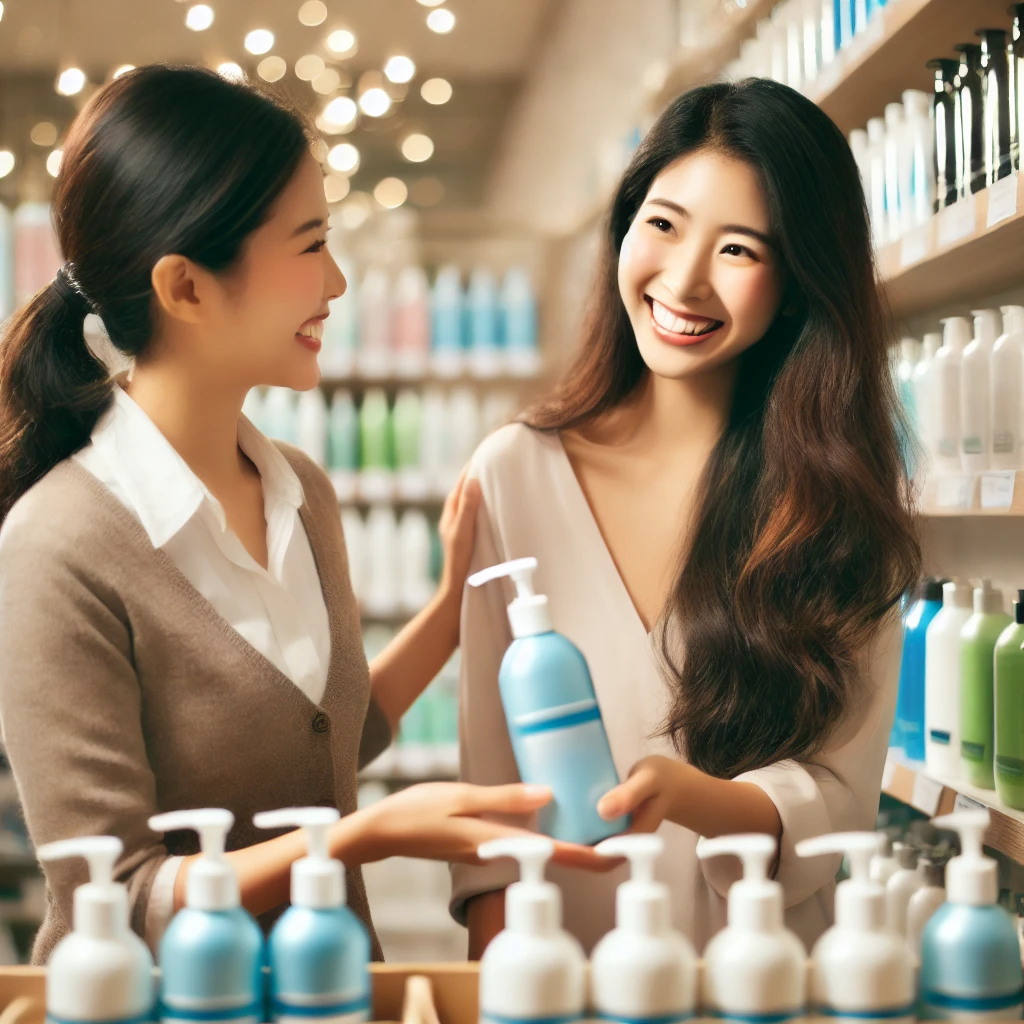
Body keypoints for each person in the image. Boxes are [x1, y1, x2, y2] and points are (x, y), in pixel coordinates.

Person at [0, 65, 602, 964]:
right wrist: (367, 836)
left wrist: (448, 607)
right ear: (186, 287)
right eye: (311, 244)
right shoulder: (57, 546)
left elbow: (325, 741)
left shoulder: (301, 491)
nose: (341, 282)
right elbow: (114, 899)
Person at [452, 78, 922, 956]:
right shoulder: (513, 475)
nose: (684, 278)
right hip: (567, 971)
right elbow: (491, 801)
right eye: (663, 224)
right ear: (624, 226)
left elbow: (843, 799)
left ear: (796, 284)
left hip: (769, 974)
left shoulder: (834, 505)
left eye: (740, 249)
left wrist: (696, 796)